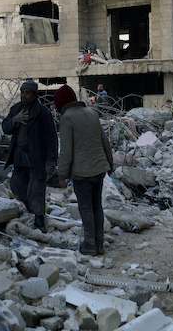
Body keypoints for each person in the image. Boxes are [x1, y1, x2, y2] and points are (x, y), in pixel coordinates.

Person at [53, 85, 114, 256]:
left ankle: (89, 244)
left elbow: (66, 151)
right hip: (99, 169)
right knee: (97, 207)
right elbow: (105, 141)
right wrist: (110, 163)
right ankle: (99, 244)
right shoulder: (91, 113)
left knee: (86, 208)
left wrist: (62, 175)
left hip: (82, 172)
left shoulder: (67, 118)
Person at [2, 80, 58, 232]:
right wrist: (15, 120)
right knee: (18, 187)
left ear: (34, 95)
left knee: (36, 189)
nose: (24, 95)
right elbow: (5, 128)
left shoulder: (42, 112)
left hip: (37, 158)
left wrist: (51, 161)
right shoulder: (16, 109)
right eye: (22, 92)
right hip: (20, 156)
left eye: (27, 93)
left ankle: (39, 220)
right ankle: (30, 209)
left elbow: (52, 138)